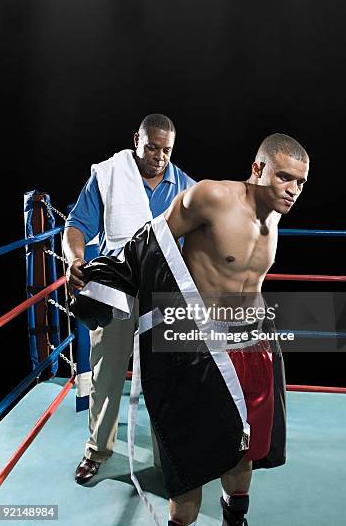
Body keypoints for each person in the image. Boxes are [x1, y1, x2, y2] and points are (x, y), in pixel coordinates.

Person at [72, 133, 309, 525]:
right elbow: (148, 243)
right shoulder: (211, 197)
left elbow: (252, 288)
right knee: (191, 464)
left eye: (301, 182)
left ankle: (236, 519)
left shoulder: (275, 217)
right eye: (285, 177)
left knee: (243, 449)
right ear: (257, 169)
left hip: (253, 349)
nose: (293, 190)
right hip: (201, 351)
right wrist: (100, 278)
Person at [63, 113, 196, 484]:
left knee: (166, 377)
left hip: (164, 294)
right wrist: (76, 258)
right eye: (152, 146)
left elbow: (212, 232)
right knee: (106, 374)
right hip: (115, 289)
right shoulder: (108, 175)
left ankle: (166, 455)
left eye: (166, 150)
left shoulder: (187, 187)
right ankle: (97, 451)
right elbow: (76, 225)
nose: (159, 156)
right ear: (136, 139)